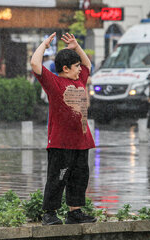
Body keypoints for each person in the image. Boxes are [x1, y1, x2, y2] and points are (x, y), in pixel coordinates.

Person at [31, 32, 96, 225]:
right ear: (65, 68)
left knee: (79, 178)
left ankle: (74, 212)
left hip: (81, 141)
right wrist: (44, 44)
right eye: (75, 67)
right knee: (57, 178)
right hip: (61, 142)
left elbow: (88, 65)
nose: (79, 69)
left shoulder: (79, 80)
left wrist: (76, 47)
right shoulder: (54, 83)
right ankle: (49, 213)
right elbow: (35, 64)